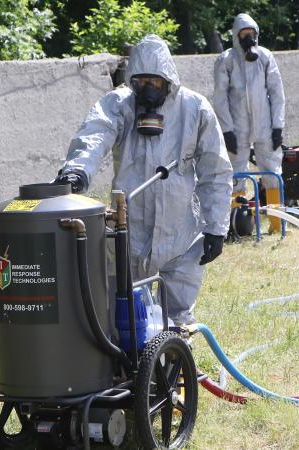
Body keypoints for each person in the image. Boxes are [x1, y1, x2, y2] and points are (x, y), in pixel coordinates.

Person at [54, 35, 232, 325]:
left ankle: (173, 366)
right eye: (141, 83)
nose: (148, 90)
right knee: (124, 316)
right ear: (132, 81)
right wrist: (76, 171)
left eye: (155, 83)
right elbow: (95, 135)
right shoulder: (119, 104)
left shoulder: (194, 108)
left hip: (180, 233)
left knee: (177, 317)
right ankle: (131, 368)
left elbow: (216, 170)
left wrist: (216, 227)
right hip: (129, 231)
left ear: (169, 79)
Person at [213, 13, 286, 233]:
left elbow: (277, 92)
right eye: (243, 35)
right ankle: (238, 226)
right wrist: (227, 130)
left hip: (264, 125)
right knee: (237, 172)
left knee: (272, 170)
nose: (248, 39)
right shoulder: (226, 60)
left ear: (256, 35)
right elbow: (220, 97)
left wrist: (277, 126)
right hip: (237, 126)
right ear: (236, 37)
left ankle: (276, 224)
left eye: (251, 35)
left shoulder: (265, 57)